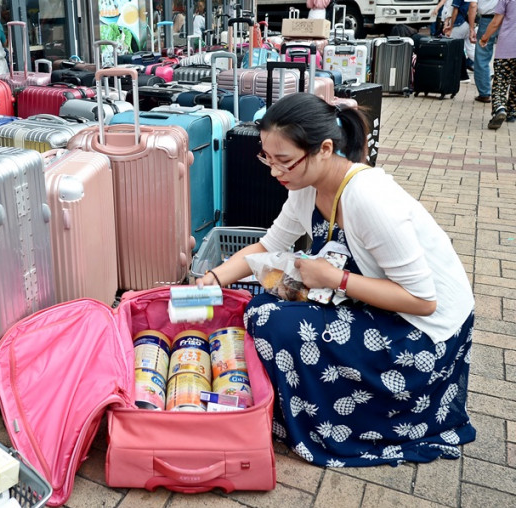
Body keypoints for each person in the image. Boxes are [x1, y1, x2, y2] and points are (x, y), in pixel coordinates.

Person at [196, 93, 476, 467]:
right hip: (374, 303)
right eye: (267, 158)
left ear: (324, 149)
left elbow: (423, 301)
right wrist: (213, 279)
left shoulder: (369, 199)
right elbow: (268, 244)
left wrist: (336, 279)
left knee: (276, 322)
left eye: (284, 161)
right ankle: (305, 405)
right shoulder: (305, 187)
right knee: (262, 307)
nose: (275, 172)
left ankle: (337, 422)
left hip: (422, 333)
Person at [479, 0, 515, 128]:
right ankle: (512, 112)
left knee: (500, 79)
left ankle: (500, 108)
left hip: (507, 46)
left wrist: (485, 37)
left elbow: (495, 22)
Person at [473, 0, 499, 103]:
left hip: (487, 19)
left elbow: (473, 4)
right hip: (508, 18)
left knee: (482, 56)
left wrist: (471, 28)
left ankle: (484, 93)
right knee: (509, 57)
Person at [444, 0, 477, 73]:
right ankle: (486, 70)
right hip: (468, 23)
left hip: (458, 23)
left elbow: (455, 11)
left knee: (452, 50)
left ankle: (455, 74)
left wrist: (451, 26)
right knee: (471, 49)